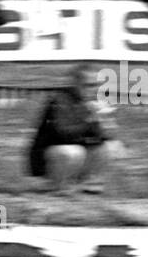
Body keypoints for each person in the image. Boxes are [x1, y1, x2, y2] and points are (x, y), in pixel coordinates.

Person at [26, 64, 115, 193]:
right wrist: (89, 120)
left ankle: (89, 185)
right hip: (47, 158)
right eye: (87, 85)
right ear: (75, 83)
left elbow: (101, 138)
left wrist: (103, 123)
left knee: (110, 147)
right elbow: (63, 134)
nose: (93, 89)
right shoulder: (59, 100)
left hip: (71, 153)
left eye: (96, 85)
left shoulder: (89, 103)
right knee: (74, 152)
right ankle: (54, 185)